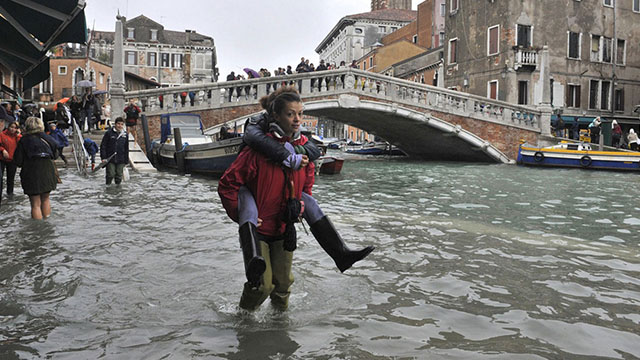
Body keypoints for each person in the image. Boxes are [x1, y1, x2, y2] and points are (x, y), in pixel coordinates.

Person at [219, 86, 374, 311]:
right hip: (259, 229)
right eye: (291, 114)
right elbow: (227, 184)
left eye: (300, 114)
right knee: (262, 286)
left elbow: (307, 183)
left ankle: (280, 331)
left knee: (283, 287)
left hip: (284, 227)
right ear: (276, 116)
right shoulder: (255, 152)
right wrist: (238, 214)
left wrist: (301, 203)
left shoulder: (303, 151)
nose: (297, 119)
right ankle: (242, 321)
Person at [13, 117, 59, 219]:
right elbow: (56, 154)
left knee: (35, 204)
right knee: (46, 199)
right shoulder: (48, 138)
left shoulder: (23, 140)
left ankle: (38, 229)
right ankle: (47, 220)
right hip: (47, 169)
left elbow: (18, 161)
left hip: (31, 171)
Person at [100, 117, 129, 185]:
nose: (120, 126)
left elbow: (126, 148)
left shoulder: (125, 135)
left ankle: (118, 189)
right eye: (118, 124)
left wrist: (126, 160)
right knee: (111, 174)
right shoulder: (109, 133)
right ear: (115, 124)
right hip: (110, 158)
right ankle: (108, 185)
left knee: (119, 176)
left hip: (121, 158)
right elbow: (103, 145)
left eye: (122, 124)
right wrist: (103, 157)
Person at [0, 121, 21, 202]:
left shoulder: (17, 136)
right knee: (0, 178)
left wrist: (18, 135)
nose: (13, 129)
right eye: (11, 127)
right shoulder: (2, 134)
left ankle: (10, 196)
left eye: (15, 128)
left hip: (12, 160)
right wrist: (3, 150)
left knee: (11, 179)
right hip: (2, 159)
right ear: (8, 127)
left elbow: (21, 144)